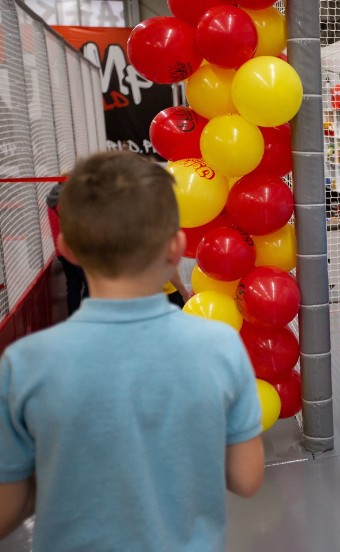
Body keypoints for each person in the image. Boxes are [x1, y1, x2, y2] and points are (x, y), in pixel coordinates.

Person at [0, 151, 265, 548]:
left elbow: (9, 506)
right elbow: (245, 478)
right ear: (176, 248)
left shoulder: (24, 364)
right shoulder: (218, 345)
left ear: (66, 248)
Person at [47, 181, 88, 315]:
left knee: (73, 286)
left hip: (61, 251)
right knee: (91, 285)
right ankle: (85, 315)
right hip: (75, 250)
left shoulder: (51, 201)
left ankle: (74, 317)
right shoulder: (68, 202)